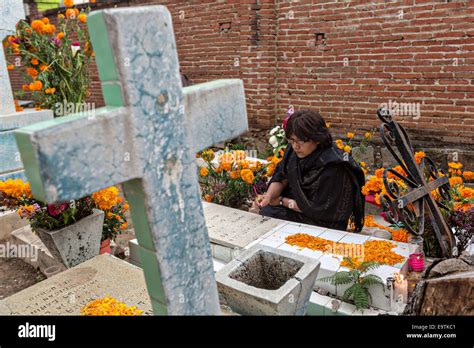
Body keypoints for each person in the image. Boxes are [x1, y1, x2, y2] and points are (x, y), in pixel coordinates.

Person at [259, 109, 365, 232]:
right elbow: (282, 177)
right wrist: (269, 196)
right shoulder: (293, 153)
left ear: (317, 139)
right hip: (299, 208)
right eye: (292, 140)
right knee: (267, 211)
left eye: (301, 141)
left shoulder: (333, 166)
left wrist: (282, 201)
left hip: (325, 220)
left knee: (271, 214)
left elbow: (319, 208)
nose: (295, 146)